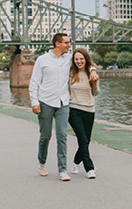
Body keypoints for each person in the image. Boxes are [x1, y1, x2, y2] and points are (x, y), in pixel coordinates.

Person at [29, 33, 98, 181]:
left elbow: (87, 62)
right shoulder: (42, 60)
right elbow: (34, 82)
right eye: (66, 43)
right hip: (46, 102)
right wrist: (34, 102)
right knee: (45, 136)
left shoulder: (69, 59)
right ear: (57, 44)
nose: (69, 45)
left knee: (62, 136)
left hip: (63, 103)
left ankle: (62, 170)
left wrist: (93, 70)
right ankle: (42, 162)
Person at [68, 48, 99, 179]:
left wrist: (95, 83)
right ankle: (90, 168)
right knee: (83, 139)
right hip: (73, 109)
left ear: (86, 59)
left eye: (81, 59)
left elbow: (96, 93)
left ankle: (76, 163)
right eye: (76, 59)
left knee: (86, 141)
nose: (79, 61)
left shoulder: (91, 73)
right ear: (73, 60)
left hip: (89, 110)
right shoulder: (70, 73)